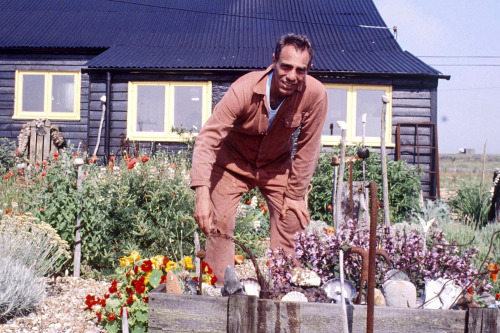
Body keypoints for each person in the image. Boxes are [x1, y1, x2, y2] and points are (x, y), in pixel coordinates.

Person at [190, 33, 328, 284]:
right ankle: (222, 289)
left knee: (292, 217)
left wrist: (296, 196)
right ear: (274, 61)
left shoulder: (315, 95)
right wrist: (201, 195)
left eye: (300, 70)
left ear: (309, 70)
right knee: (217, 223)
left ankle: (284, 286)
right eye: (285, 66)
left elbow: (308, 148)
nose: (291, 76)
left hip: (275, 166)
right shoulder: (244, 88)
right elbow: (208, 139)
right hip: (231, 164)